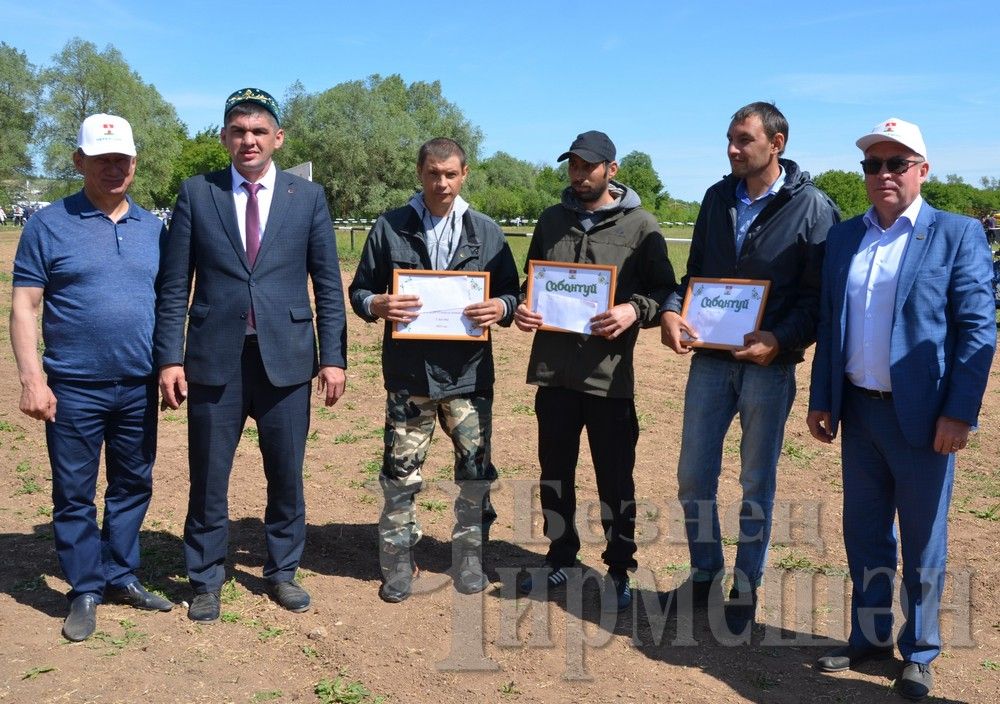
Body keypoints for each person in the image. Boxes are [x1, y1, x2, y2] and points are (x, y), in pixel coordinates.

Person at [808, 118, 995, 701]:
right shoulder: (844, 238)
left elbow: (976, 328)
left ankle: (919, 652)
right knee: (864, 534)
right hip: (859, 413)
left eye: (896, 163)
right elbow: (829, 325)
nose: (883, 174)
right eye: (873, 164)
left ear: (922, 170)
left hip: (923, 418)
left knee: (922, 541)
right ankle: (869, 639)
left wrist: (960, 413)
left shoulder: (957, 234)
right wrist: (822, 397)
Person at [155, 88, 348, 622]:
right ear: (224, 137)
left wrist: (333, 357)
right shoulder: (198, 194)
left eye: (259, 131)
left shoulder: (306, 198)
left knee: (286, 472)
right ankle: (205, 577)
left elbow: (328, 286)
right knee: (208, 475)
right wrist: (170, 358)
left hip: (286, 359)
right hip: (214, 359)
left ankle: (282, 571)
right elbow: (175, 286)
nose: (249, 140)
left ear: (277, 138)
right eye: (239, 131)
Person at [659, 102, 838, 633]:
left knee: (756, 479)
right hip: (711, 363)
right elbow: (693, 277)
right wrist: (672, 310)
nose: (733, 149)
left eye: (744, 140)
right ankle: (704, 571)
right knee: (693, 475)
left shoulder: (813, 208)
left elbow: (818, 298)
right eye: (730, 140)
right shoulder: (717, 198)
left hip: (769, 366)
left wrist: (779, 340)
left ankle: (746, 583)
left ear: (776, 143)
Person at [10, 114, 173, 642]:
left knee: (131, 484)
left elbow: (171, 304)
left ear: (135, 161)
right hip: (73, 387)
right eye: (101, 158)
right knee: (74, 493)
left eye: (121, 158)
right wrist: (33, 379)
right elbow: (24, 305)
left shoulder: (153, 228)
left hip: (138, 385)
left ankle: (121, 574)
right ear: (79, 161)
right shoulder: (48, 225)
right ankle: (84, 587)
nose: (113, 168)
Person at [348, 138, 519, 603]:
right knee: (400, 476)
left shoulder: (486, 232)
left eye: (450, 174)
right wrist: (376, 303)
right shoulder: (390, 227)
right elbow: (359, 290)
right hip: (410, 377)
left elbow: (512, 294)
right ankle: (398, 564)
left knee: (475, 475)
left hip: (468, 377)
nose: (441, 182)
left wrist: (500, 308)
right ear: (419, 173)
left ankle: (468, 559)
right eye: (432, 173)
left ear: (464, 174)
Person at [513, 130, 676, 612]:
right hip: (555, 374)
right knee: (554, 474)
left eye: (589, 166)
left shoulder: (641, 226)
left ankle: (620, 567)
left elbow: (665, 290)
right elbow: (533, 282)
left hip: (609, 378)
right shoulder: (550, 221)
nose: (579, 175)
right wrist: (525, 309)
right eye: (574, 166)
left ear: (612, 169)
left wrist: (634, 310)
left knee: (615, 478)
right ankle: (560, 556)